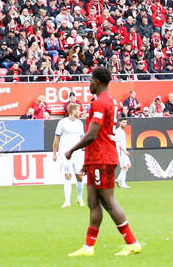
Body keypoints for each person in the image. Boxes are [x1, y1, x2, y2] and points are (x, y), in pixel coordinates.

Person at [63, 67, 142, 257]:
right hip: (95, 158)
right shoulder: (109, 101)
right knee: (93, 202)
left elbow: (92, 134)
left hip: (102, 158)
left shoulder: (101, 102)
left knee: (108, 202)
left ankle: (132, 242)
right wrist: (87, 161)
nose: (88, 83)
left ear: (97, 82)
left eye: (90, 80)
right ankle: (88, 247)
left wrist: (72, 149)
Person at [53, 102, 87, 209]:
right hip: (65, 153)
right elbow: (57, 138)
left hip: (77, 153)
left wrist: (85, 150)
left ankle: (80, 198)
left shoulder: (79, 123)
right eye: (78, 109)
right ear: (72, 111)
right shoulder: (62, 123)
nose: (80, 112)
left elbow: (82, 138)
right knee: (67, 175)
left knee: (79, 176)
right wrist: (54, 153)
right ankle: (67, 201)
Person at [114, 119, 132, 188]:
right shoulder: (118, 132)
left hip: (123, 151)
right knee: (124, 167)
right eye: (123, 122)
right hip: (121, 152)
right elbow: (118, 144)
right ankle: (123, 183)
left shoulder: (122, 131)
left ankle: (118, 179)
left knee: (128, 166)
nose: (125, 124)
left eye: (126, 122)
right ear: (120, 123)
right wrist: (124, 151)